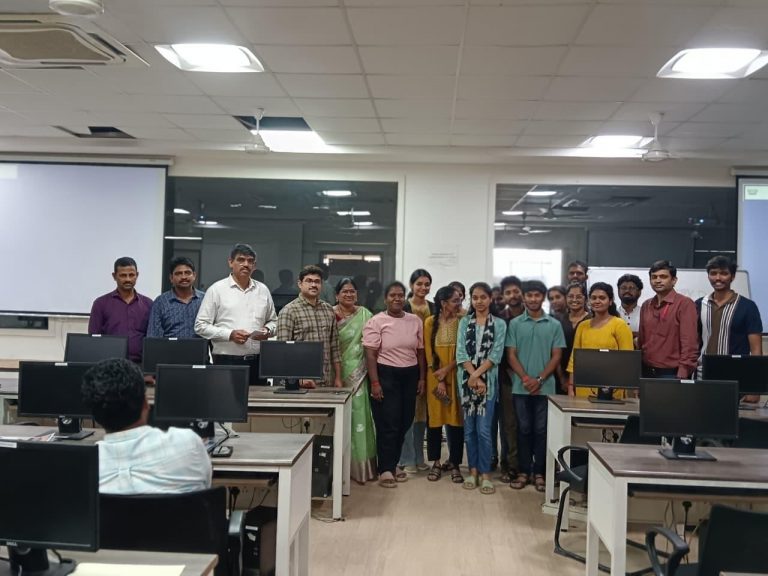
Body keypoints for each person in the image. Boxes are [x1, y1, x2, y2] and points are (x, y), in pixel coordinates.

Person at [81, 358, 211, 494]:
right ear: (146, 403)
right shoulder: (189, 444)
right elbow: (205, 487)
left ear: (94, 416)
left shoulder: (84, 467)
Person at [363, 281, 426, 488]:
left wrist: (422, 378)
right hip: (385, 374)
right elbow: (370, 355)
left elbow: (420, 352)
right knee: (388, 423)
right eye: (392, 295)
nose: (397, 298)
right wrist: (375, 382)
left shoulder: (415, 320)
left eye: (400, 295)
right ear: (385, 299)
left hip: (410, 374)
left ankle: (394, 463)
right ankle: (385, 469)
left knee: (404, 421)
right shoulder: (376, 321)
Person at [506, 280, 565, 492]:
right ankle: (524, 471)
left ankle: (539, 472)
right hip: (520, 387)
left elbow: (556, 355)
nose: (533, 299)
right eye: (529, 295)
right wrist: (525, 378)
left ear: (543, 297)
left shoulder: (554, 325)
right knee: (523, 429)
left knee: (541, 431)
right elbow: (511, 354)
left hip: (545, 388)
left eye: (537, 295)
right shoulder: (514, 324)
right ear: (523, 297)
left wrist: (539, 379)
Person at [194, 244, 277, 386]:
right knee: (224, 400)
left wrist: (268, 330)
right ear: (230, 262)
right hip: (226, 362)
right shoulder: (216, 290)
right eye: (241, 260)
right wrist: (230, 334)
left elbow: (274, 321)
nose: (246, 264)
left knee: (257, 400)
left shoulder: (263, 290)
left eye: (250, 261)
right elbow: (200, 326)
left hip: (257, 362)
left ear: (254, 266)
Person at [456, 282, 507, 495]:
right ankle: (473, 471)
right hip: (466, 384)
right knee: (469, 431)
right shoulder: (464, 322)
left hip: (488, 384)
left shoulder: (500, 324)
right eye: (475, 297)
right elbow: (460, 353)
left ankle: (486, 474)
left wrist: (477, 376)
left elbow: (496, 355)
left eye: (483, 297)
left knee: (484, 431)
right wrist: (473, 376)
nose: (479, 301)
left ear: (490, 299)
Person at [333, 277, 377, 483]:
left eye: (352, 291)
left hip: (360, 375)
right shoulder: (330, 314)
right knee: (337, 421)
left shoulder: (365, 314)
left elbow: (372, 343)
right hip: (336, 374)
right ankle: (337, 471)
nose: (349, 294)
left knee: (360, 419)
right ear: (337, 295)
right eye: (345, 291)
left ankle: (361, 469)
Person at [696, 255, 763, 383]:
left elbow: (756, 350)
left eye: (724, 273)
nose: (718, 278)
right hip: (703, 373)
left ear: (732, 276)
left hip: (736, 375)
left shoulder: (748, 307)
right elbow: (694, 342)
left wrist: (755, 383)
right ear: (708, 276)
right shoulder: (699, 304)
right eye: (713, 273)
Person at [277, 265, 342, 388]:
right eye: (309, 281)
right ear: (300, 284)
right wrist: (299, 380)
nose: (313, 285)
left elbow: (335, 347)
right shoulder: (289, 311)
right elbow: (282, 352)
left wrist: (338, 377)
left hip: (327, 380)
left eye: (317, 281)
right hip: (301, 383)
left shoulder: (328, 310)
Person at [424, 286, 464, 483]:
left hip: (456, 375)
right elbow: (428, 354)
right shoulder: (430, 322)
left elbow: (464, 352)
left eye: (460, 300)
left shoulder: (463, 321)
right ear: (443, 303)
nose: (459, 304)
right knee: (435, 421)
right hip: (435, 376)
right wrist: (439, 379)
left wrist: (447, 370)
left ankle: (455, 463)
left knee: (456, 421)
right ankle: (436, 462)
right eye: (455, 300)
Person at [566, 282, 634, 399]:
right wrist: (571, 387)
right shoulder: (582, 326)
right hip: (584, 385)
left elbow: (628, 360)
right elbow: (574, 359)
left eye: (602, 298)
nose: (597, 301)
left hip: (612, 386)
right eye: (593, 298)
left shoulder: (619, 325)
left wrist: (630, 392)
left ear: (610, 301)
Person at [638, 260, 698, 379]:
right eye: (654, 277)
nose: (658, 280)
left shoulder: (684, 304)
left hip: (672, 373)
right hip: (646, 371)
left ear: (674, 280)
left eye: (663, 277)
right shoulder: (646, 305)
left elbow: (689, 343)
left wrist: (683, 372)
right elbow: (642, 340)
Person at [88, 256, 153, 364]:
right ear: (114, 276)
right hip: (110, 365)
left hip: (140, 365)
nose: (128, 279)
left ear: (137, 275)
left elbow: (152, 339)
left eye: (131, 275)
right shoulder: (100, 303)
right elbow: (93, 338)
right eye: (123, 275)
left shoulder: (148, 304)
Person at [400, 268, 433, 474]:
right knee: (407, 412)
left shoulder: (434, 307)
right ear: (411, 285)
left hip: (428, 365)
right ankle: (407, 458)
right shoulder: (404, 306)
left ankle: (420, 457)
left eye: (427, 284)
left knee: (422, 413)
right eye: (419, 284)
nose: (423, 287)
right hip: (407, 363)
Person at [495, 275, 524, 481]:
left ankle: (527, 465)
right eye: (508, 292)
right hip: (507, 378)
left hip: (532, 379)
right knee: (509, 424)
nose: (512, 295)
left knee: (528, 425)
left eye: (516, 291)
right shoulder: (500, 320)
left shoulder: (533, 316)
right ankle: (509, 465)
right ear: (503, 296)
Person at [147, 256, 204, 339]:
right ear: (171, 278)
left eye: (187, 273)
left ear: (194, 275)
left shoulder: (205, 299)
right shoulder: (161, 302)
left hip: (199, 347)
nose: (184, 277)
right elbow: (153, 336)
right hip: (168, 347)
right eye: (179, 273)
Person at [557, 282, 590, 391]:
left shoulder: (592, 320)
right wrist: (562, 378)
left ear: (585, 299)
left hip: (587, 374)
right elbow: (555, 350)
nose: (574, 300)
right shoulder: (559, 320)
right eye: (571, 296)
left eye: (579, 296)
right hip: (562, 374)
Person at [616, 274, 643, 340]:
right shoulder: (612, 314)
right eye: (623, 288)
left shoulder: (645, 313)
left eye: (632, 288)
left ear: (639, 292)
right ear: (618, 291)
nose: (627, 291)